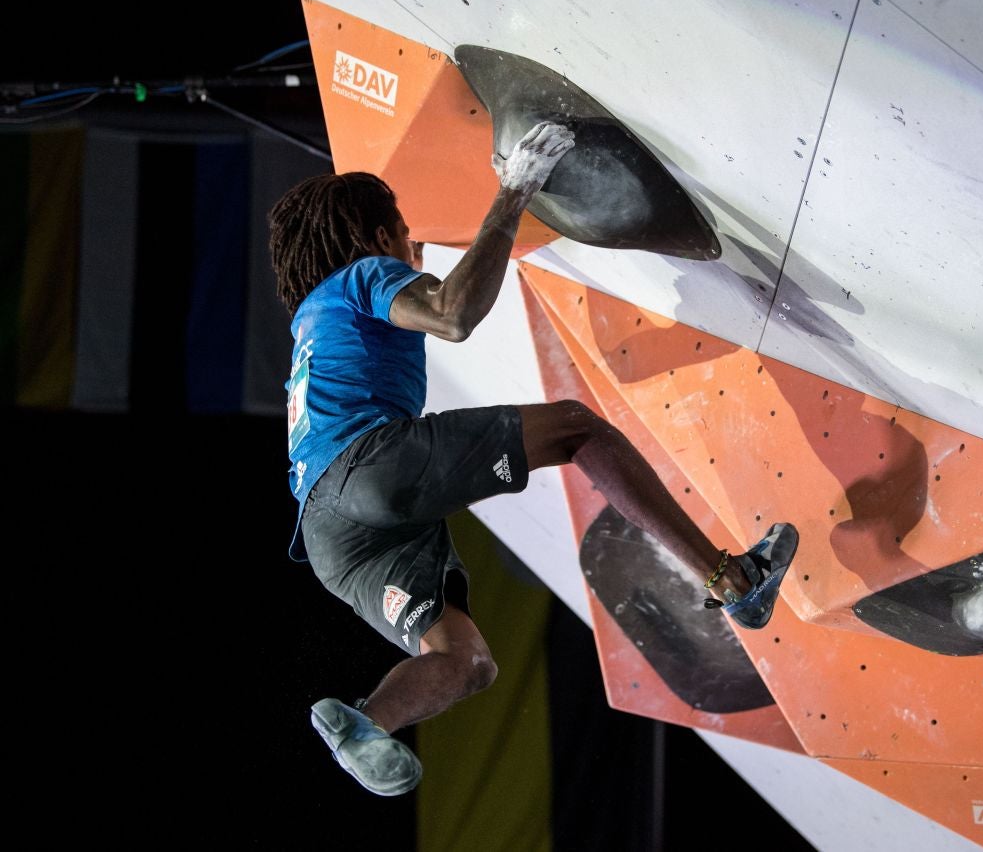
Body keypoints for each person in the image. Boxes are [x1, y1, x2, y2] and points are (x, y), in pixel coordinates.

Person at [268, 121, 799, 797]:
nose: (414, 249)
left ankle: (368, 726)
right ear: (375, 242)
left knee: (468, 662)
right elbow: (453, 314)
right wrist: (513, 189)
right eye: (403, 235)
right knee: (578, 431)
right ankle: (732, 580)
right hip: (365, 473)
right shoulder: (362, 277)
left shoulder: (311, 328)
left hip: (327, 538)